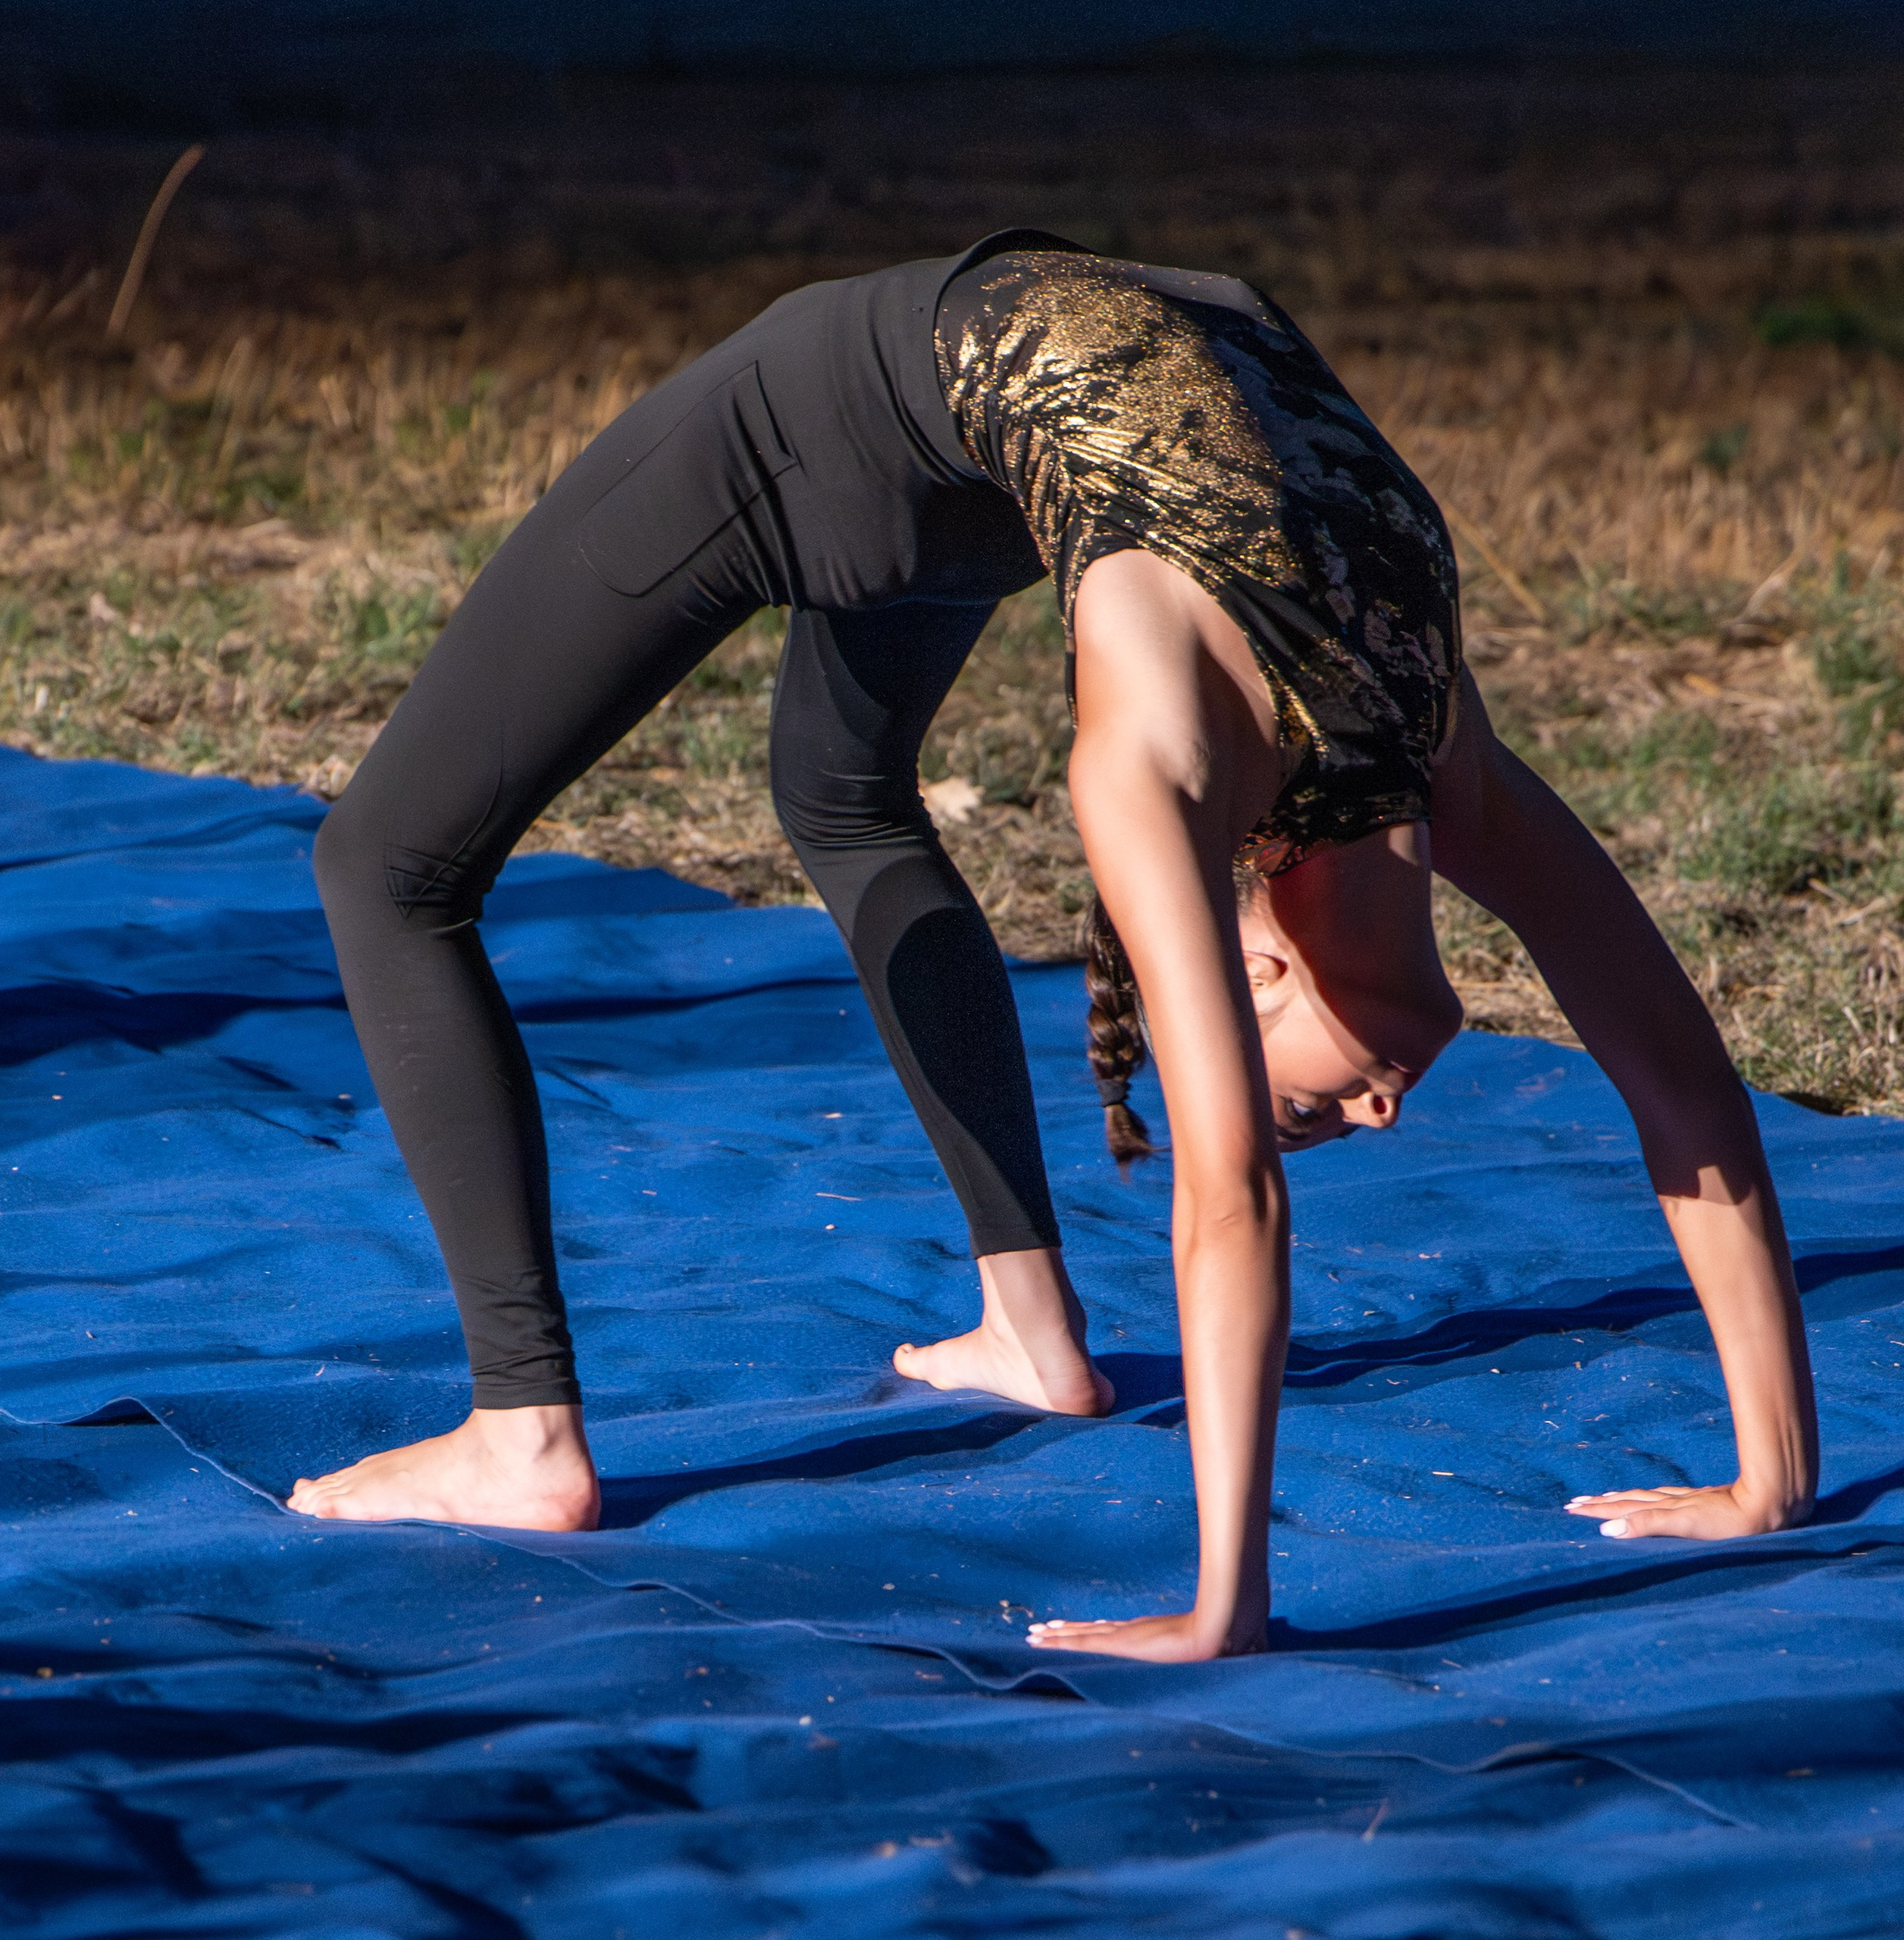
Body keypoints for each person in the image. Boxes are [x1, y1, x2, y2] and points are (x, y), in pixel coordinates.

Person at [291, 234, 1819, 1665]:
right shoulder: (1264, 762)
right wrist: (1225, 1607)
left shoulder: (1423, 752)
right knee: (405, 861)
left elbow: (1678, 1088)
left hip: (1068, 386)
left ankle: (881, 1365)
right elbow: (1235, 1192)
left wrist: (1768, 1480)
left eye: (1329, 1111)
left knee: (719, 813)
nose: (1378, 1116)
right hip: (852, 401)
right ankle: (584, 1417)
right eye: (1320, 1102)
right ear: (1259, 972)